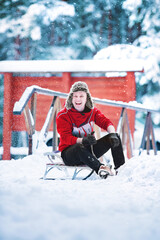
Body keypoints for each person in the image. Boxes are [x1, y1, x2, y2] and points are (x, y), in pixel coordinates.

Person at [56, 81, 125, 179]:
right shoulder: (63, 115)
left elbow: (106, 122)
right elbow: (65, 137)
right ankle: (101, 168)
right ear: (71, 98)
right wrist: (83, 140)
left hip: (89, 152)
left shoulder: (93, 112)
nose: (78, 99)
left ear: (87, 97)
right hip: (69, 154)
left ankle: (121, 170)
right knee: (79, 147)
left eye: (81, 96)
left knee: (114, 137)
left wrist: (112, 133)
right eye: (75, 96)